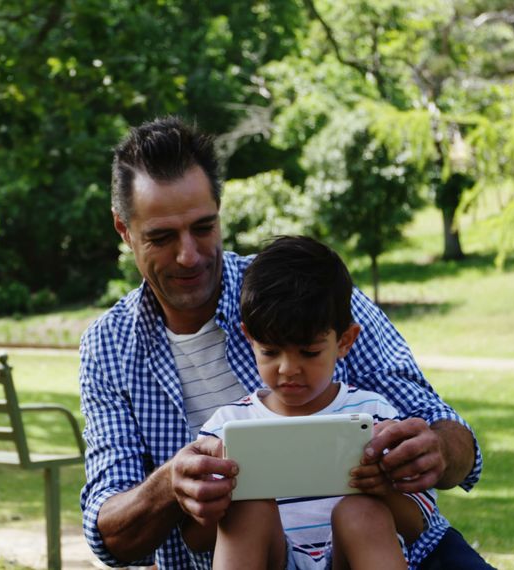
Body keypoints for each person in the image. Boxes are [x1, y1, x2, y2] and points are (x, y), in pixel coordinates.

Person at [79, 116, 491, 569]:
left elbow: (449, 437)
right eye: (160, 237)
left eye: (203, 227)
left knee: (361, 515)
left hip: (391, 552)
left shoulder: (303, 287)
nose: (188, 255)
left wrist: (435, 449)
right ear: (124, 231)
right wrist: (172, 489)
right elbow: (111, 536)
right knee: (247, 512)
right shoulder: (108, 346)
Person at [185, 235, 444, 569]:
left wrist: (385, 490)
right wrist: (214, 502)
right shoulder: (226, 427)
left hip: (351, 558)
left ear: (345, 341)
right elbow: (194, 539)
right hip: (271, 558)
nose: (288, 369)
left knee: (361, 510)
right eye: (270, 351)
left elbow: (416, 526)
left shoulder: (375, 416)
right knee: (245, 509)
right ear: (248, 338)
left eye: (309, 352)